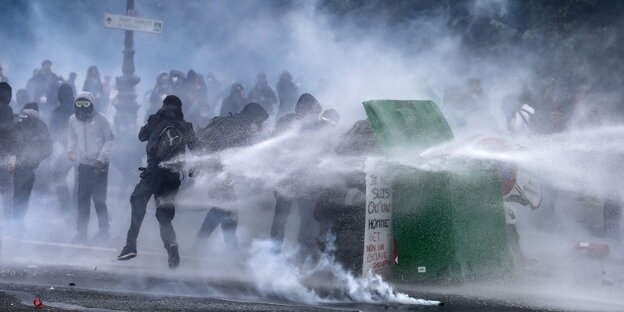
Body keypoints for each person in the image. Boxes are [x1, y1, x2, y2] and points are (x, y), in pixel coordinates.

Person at [118, 95, 199, 269]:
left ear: (164, 106)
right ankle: (172, 247)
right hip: (172, 177)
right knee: (164, 217)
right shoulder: (186, 126)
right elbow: (198, 150)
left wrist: (154, 119)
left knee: (138, 200)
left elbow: (141, 136)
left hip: (153, 173)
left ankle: (130, 246)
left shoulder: (156, 120)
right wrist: (196, 167)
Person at [194, 103, 269, 248]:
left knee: (223, 207)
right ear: (254, 117)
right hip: (218, 171)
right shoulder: (242, 126)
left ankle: (205, 241)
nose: (261, 125)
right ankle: (229, 245)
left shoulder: (231, 121)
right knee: (228, 207)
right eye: (260, 121)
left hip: (215, 171)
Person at [270, 93, 324, 256]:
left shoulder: (316, 126)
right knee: (281, 216)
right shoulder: (286, 122)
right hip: (286, 178)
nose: (316, 116)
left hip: (306, 181)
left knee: (307, 217)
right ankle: (274, 252)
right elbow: (276, 149)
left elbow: (321, 149)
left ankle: (304, 251)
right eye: (314, 112)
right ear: (303, 110)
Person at [67, 92, 114, 242]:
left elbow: (110, 140)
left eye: (85, 104)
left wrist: (101, 158)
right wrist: (70, 151)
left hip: (99, 166)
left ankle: (104, 231)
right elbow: (72, 138)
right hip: (83, 165)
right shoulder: (72, 120)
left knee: (99, 199)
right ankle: (81, 232)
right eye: (79, 104)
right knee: (82, 199)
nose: (81, 108)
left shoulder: (102, 120)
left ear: (92, 105)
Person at [12, 102, 53, 231]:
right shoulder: (41, 125)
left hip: (12, 165)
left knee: (12, 195)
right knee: (23, 196)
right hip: (29, 167)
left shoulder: (15, 120)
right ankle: (17, 224)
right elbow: (49, 149)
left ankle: (9, 225)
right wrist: (36, 159)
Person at [49, 84, 76, 213]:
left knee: (58, 176)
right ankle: (70, 208)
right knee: (59, 176)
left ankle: (70, 208)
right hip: (71, 149)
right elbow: (54, 133)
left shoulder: (77, 110)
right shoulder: (78, 110)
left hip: (76, 149)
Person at [0, 101, 16, 222]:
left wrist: (12, 161)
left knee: (6, 191)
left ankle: (7, 220)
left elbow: (12, 144)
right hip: (5, 162)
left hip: (5, 162)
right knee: (7, 191)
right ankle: (7, 220)